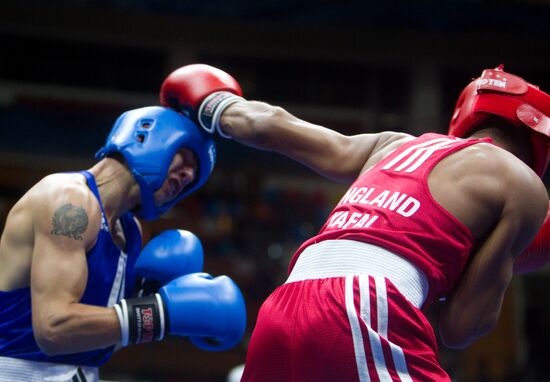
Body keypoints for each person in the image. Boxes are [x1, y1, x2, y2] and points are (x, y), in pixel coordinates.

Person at [160, 64, 550, 381]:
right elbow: (461, 328)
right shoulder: (524, 186)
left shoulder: (393, 144)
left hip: (283, 305)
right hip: (364, 308)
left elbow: (269, 124)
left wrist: (215, 104)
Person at [0, 106, 246, 381]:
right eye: (186, 158)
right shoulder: (69, 200)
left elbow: (97, 340)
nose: (188, 176)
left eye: (194, 175)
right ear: (145, 136)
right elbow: (53, 328)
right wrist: (161, 313)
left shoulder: (130, 231)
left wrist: (146, 303)